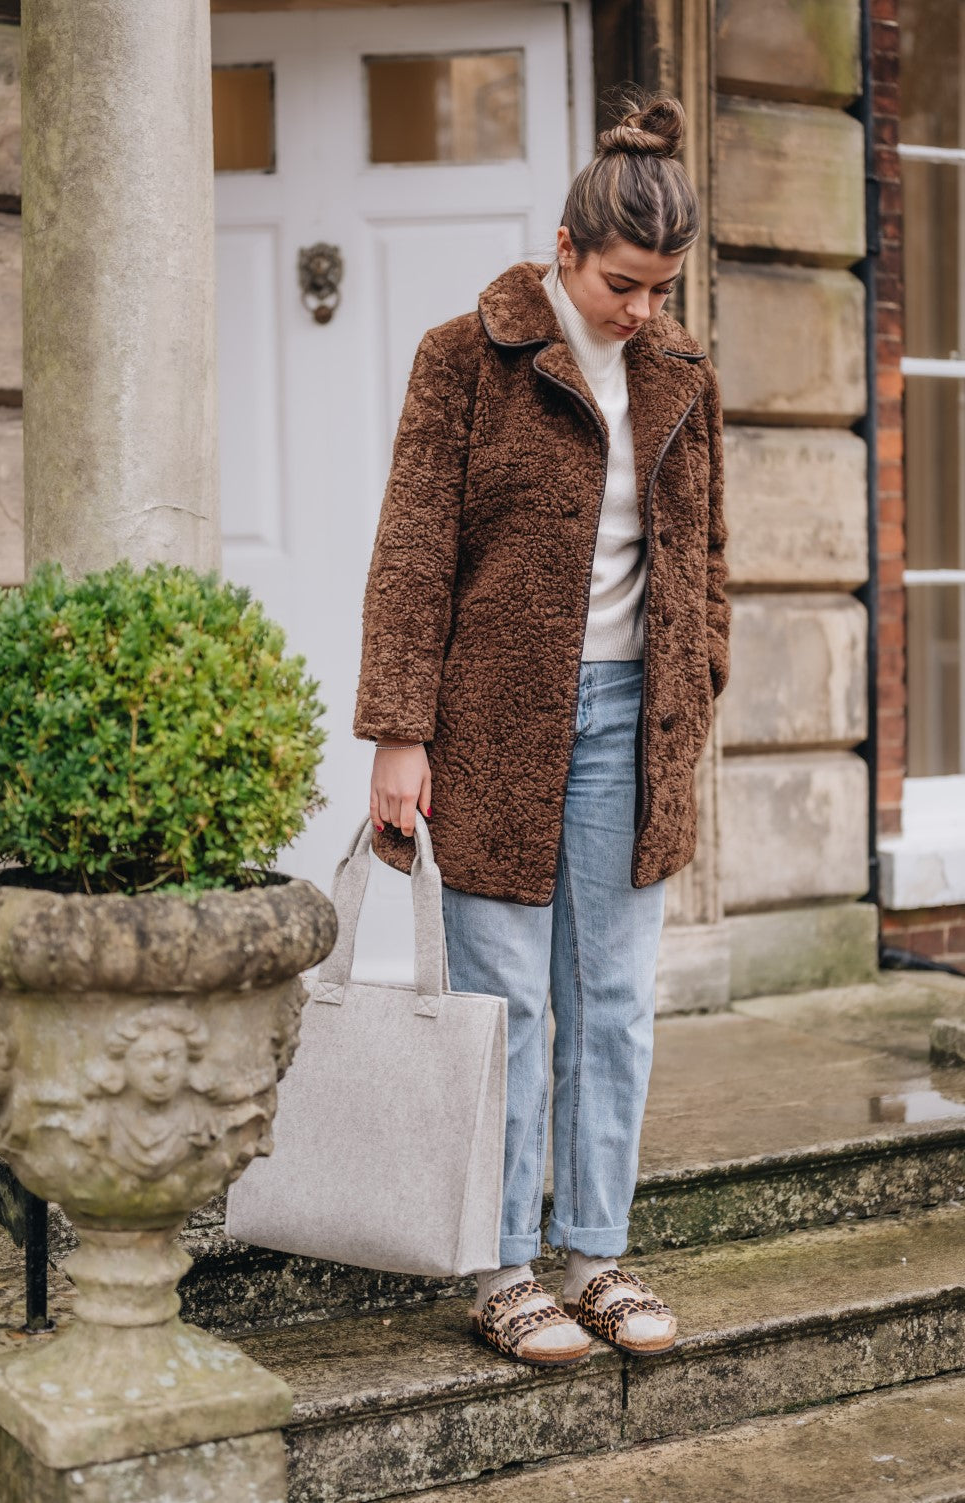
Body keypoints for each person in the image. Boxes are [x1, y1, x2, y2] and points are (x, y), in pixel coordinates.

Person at [353, 88, 730, 1366]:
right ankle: (504, 1268)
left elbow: (704, 555)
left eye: (661, 287)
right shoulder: (466, 356)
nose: (643, 310)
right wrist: (400, 731)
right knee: (504, 1002)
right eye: (625, 283)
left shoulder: (682, 373)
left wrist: (701, 673)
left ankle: (598, 1256)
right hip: (497, 725)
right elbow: (411, 551)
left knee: (614, 1001)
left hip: (635, 721)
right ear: (565, 250)